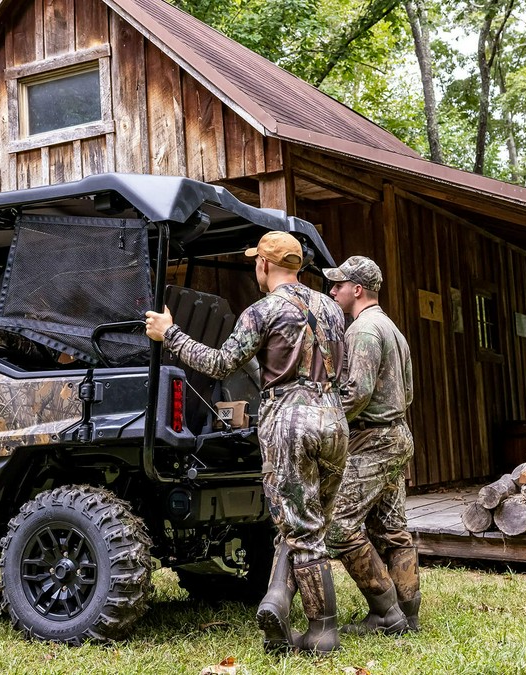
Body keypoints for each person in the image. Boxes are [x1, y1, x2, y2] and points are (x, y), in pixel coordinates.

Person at [145, 231, 348, 654]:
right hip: (333, 419)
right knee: (313, 526)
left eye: (257, 260)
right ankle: (277, 602)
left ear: (264, 265)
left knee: (300, 530)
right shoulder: (332, 307)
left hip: (289, 422)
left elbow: (219, 365)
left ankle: (322, 632)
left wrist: (171, 334)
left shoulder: (262, 311)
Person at [324, 256, 419, 634]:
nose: (333, 291)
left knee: (339, 527)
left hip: (373, 442)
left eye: (338, 285)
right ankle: (408, 615)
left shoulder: (362, 330)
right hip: (398, 435)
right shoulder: (392, 328)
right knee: (392, 529)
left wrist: (326, 419)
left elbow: (357, 392)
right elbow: (408, 391)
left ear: (357, 289)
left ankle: (384, 613)